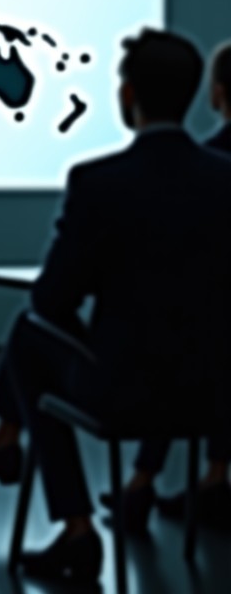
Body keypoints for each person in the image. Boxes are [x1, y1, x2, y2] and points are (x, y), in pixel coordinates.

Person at [0, 29, 231, 583]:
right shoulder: (225, 180)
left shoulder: (98, 182)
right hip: (215, 399)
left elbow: (52, 298)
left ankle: (74, 526)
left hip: (124, 396)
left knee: (29, 336)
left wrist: (96, 347)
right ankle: (5, 448)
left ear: (128, 95)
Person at [102, 40, 231, 529]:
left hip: (176, 355)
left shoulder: (211, 163)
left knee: (175, 334)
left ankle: (137, 487)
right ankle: (212, 478)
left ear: (217, 94)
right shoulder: (214, 170)